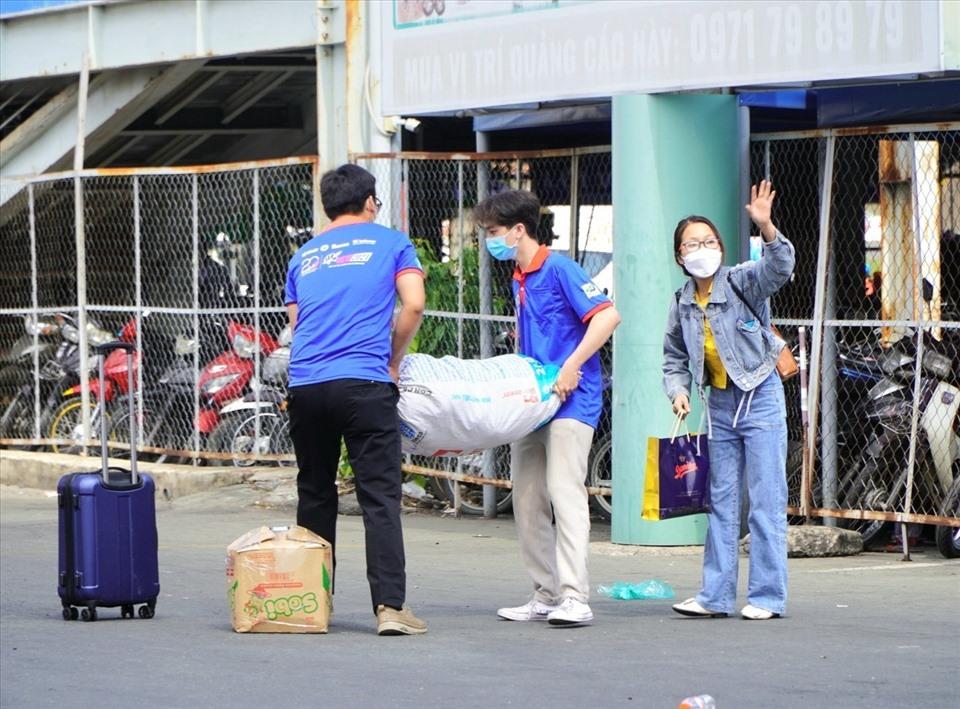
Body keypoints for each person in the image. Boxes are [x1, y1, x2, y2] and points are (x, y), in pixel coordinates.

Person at [284, 164, 427, 636]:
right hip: (364, 383)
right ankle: (389, 608)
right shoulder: (391, 243)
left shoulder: (303, 255)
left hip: (305, 385)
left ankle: (311, 604)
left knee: (315, 494)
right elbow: (414, 304)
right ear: (370, 203)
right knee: (379, 497)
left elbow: (297, 323)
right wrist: (392, 358)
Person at [475, 189, 621, 627]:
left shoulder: (559, 268)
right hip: (533, 401)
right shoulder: (519, 276)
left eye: (494, 232)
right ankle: (545, 594)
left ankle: (576, 597)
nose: (490, 240)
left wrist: (573, 365)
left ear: (519, 230)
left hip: (573, 400)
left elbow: (607, 316)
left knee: (564, 492)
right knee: (527, 497)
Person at [662, 180, 795, 620]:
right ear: (680, 256)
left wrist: (766, 226)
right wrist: (679, 393)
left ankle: (766, 598)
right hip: (718, 406)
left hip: (760, 399)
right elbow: (673, 358)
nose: (702, 247)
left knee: (766, 502)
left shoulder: (741, 281)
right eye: (691, 243)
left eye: (709, 240)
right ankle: (714, 597)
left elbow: (779, 268)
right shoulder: (681, 302)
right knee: (720, 503)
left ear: (720, 245)